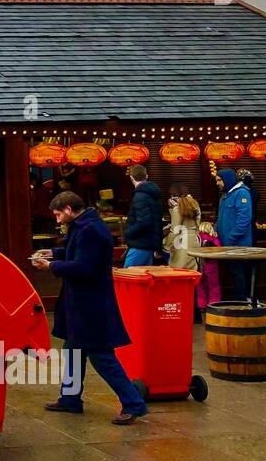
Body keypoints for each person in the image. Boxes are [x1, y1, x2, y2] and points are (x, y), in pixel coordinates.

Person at [31, 192, 148, 425]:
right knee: (73, 351)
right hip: (82, 304)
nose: (56, 221)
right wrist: (53, 253)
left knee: (101, 356)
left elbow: (84, 266)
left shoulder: (90, 230)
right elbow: (77, 253)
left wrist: (51, 266)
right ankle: (70, 398)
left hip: (91, 305)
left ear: (67, 209)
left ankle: (133, 402)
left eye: (57, 215)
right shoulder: (85, 225)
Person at [215, 168, 254, 300]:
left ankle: (243, 300)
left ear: (227, 180)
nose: (218, 183)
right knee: (233, 272)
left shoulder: (242, 193)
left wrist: (230, 239)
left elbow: (244, 220)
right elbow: (221, 218)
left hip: (238, 244)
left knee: (238, 272)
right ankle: (239, 299)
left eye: (219, 180)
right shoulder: (225, 196)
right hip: (226, 245)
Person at [123, 165, 164, 267]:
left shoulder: (140, 196)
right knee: (143, 279)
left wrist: (127, 233)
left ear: (131, 178)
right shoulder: (154, 195)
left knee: (128, 277)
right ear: (146, 176)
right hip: (149, 244)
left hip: (139, 244)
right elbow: (158, 222)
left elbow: (144, 222)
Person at [165, 190, 204, 272]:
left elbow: (175, 231)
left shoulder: (177, 209)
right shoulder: (195, 206)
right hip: (194, 241)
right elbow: (197, 225)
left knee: (180, 274)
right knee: (192, 272)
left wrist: (166, 246)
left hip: (181, 243)